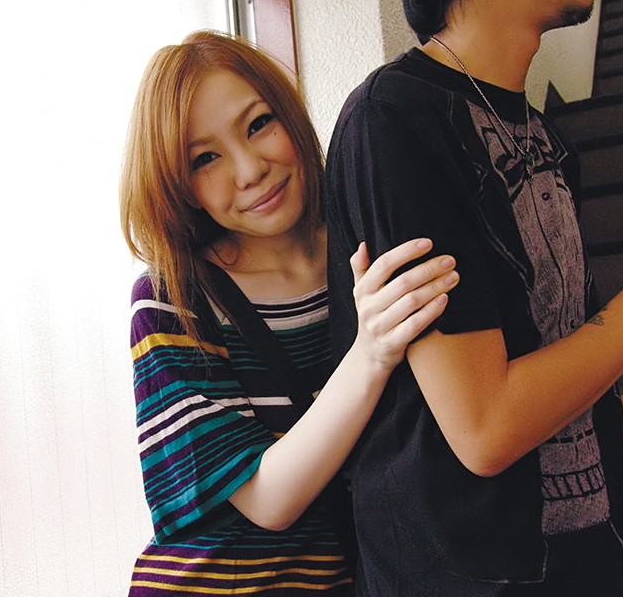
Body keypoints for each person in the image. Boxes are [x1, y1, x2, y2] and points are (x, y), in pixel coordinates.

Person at [325, 0, 623, 595]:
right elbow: (485, 426)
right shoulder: (392, 118)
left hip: (605, 554)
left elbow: (542, 357)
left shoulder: (545, 136)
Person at [119, 30, 459, 596]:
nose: (250, 169)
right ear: (180, 187)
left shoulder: (368, 250)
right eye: (206, 158)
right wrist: (371, 353)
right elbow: (268, 499)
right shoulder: (174, 300)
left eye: (258, 124)